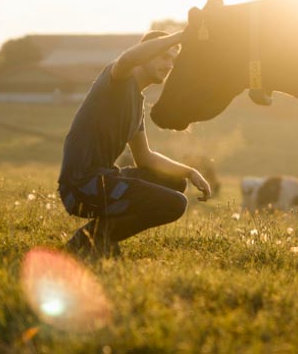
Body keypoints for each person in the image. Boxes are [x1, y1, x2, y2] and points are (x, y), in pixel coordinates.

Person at [58, 30, 211, 257]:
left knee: (175, 183)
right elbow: (128, 58)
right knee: (175, 203)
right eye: (164, 56)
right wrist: (180, 35)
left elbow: (145, 157)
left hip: (104, 179)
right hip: (81, 186)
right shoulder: (117, 80)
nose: (169, 65)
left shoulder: (137, 103)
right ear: (146, 54)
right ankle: (92, 238)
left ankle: (100, 237)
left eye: (173, 59)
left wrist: (189, 171)